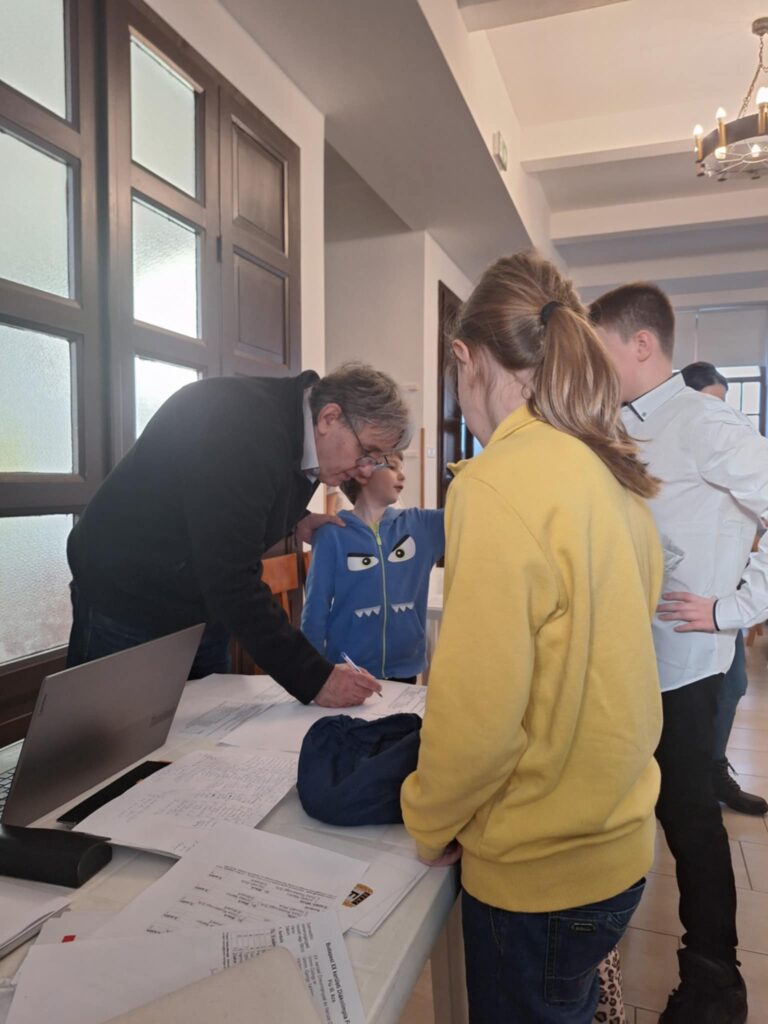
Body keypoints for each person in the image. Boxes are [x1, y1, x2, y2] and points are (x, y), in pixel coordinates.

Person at [401, 252, 664, 1023]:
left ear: (465, 357)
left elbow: (479, 714)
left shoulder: (494, 483)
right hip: (619, 844)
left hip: (539, 873)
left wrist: (430, 821)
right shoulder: (615, 477)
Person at [590, 285, 768, 1023]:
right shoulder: (616, 425)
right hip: (627, 657)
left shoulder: (704, 422)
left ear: (641, 344)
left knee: (690, 822)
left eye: (599, 348)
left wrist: (734, 609)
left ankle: (716, 984)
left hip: (685, 666)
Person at [66, 363, 411, 708]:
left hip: (200, 601)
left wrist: (298, 519)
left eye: (376, 461)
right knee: (115, 731)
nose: (366, 470)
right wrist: (315, 677)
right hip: (127, 594)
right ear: (329, 418)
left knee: (207, 728)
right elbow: (230, 577)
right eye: (365, 453)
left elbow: (230, 498)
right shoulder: (243, 429)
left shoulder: (303, 431)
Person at [680, 361, 767, 816]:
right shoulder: (675, 443)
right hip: (677, 598)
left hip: (720, 599)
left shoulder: (733, 450)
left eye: (724, 406)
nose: (720, 417)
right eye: (710, 405)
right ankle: (686, 781)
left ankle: (710, 771)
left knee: (732, 685)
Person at [301, 452, 444, 682]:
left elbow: (471, 509)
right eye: (392, 467)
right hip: (348, 672)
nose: (402, 476)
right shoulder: (331, 535)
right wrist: (312, 672)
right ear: (363, 472)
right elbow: (315, 608)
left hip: (405, 669)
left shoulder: (421, 526)